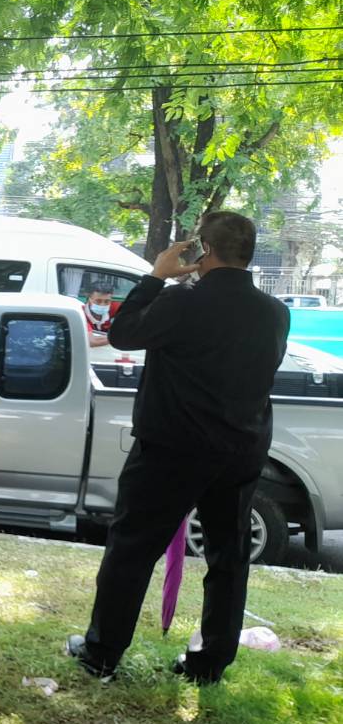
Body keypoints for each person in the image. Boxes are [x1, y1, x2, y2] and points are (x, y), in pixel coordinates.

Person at [67, 212, 289, 685]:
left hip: (173, 450)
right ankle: (208, 665)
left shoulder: (181, 302)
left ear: (202, 251)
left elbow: (122, 334)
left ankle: (102, 652)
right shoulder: (275, 312)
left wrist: (156, 275)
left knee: (132, 548)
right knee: (228, 560)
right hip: (241, 450)